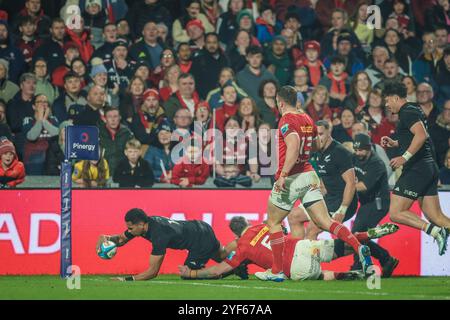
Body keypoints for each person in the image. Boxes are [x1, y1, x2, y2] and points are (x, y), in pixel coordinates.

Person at [257, 86, 372, 282]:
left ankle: (276, 271)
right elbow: (316, 146)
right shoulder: (307, 119)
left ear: (280, 102)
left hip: (292, 177)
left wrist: (283, 174)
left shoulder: (287, 120)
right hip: (309, 175)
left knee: (274, 222)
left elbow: (293, 145)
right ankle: (359, 247)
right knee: (325, 221)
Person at [179, 216, 398, 281]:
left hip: (294, 267)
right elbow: (280, 226)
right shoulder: (264, 224)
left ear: (236, 235)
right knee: (341, 246)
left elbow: (218, 270)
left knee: (320, 275)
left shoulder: (242, 249)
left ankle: (353, 275)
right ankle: (369, 234)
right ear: (247, 222)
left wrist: (193, 273)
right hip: (302, 246)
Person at [382, 82, 450, 255]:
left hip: (417, 169)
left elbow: (421, 135)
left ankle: (434, 231)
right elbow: (414, 136)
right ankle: (437, 228)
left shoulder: (407, 112)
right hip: (428, 167)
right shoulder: (414, 109)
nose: (386, 105)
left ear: (396, 98)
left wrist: (403, 158)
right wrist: (396, 143)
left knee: (396, 213)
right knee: (436, 217)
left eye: (388, 100)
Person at [96, 208, 231, 281]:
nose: (128, 231)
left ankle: (221, 273)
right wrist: (105, 238)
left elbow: (152, 272)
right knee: (221, 257)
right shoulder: (145, 225)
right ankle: (238, 266)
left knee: (188, 274)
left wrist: (125, 280)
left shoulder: (159, 235)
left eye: (130, 228)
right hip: (200, 227)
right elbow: (120, 240)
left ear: (141, 225)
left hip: (200, 238)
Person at [351, 133, 399, 277]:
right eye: (356, 150)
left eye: (362, 150)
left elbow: (364, 186)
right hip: (367, 203)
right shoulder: (354, 158)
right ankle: (386, 259)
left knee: (357, 233)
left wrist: (344, 187)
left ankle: (358, 265)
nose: (359, 153)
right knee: (359, 235)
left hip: (378, 203)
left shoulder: (376, 163)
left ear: (369, 148)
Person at [22, 94, 59, 175]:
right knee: (39, 158)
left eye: (45, 102)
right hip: (33, 158)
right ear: (34, 107)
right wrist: (40, 120)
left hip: (51, 158)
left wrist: (44, 120)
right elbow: (31, 137)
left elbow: (57, 134)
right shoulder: (28, 120)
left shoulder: (53, 120)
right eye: (39, 102)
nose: (43, 104)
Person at [190, 32, 229, 99]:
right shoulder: (198, 60)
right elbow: (193, 81)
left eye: (214, 42)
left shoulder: (225, 59)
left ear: (218, 44)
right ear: (204, 43)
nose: (212, 45)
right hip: (205, 98)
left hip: (224, 96)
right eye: (209, 42)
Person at [99, 106, 134, 176]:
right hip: (102, 174)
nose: (113, 120)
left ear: (120, 118)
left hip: (122, 174)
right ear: (104, 119)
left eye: (115, 116)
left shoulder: (127, 133)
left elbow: (132, 155)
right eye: (109, 117)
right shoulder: (97, 133)